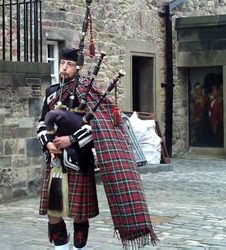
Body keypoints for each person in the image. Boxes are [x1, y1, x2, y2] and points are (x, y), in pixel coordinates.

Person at [36, 48, 157, 249]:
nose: (64, 67)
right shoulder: (52, 92)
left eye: (70, 64)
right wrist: (48, 143)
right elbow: (41, 123)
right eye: (62, 63)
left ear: (79, 67)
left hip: (79, 159)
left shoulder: (88, 91)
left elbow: (99, 126)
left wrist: (71, 139)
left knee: (79, 215)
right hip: (55, 161)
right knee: (54, 212)